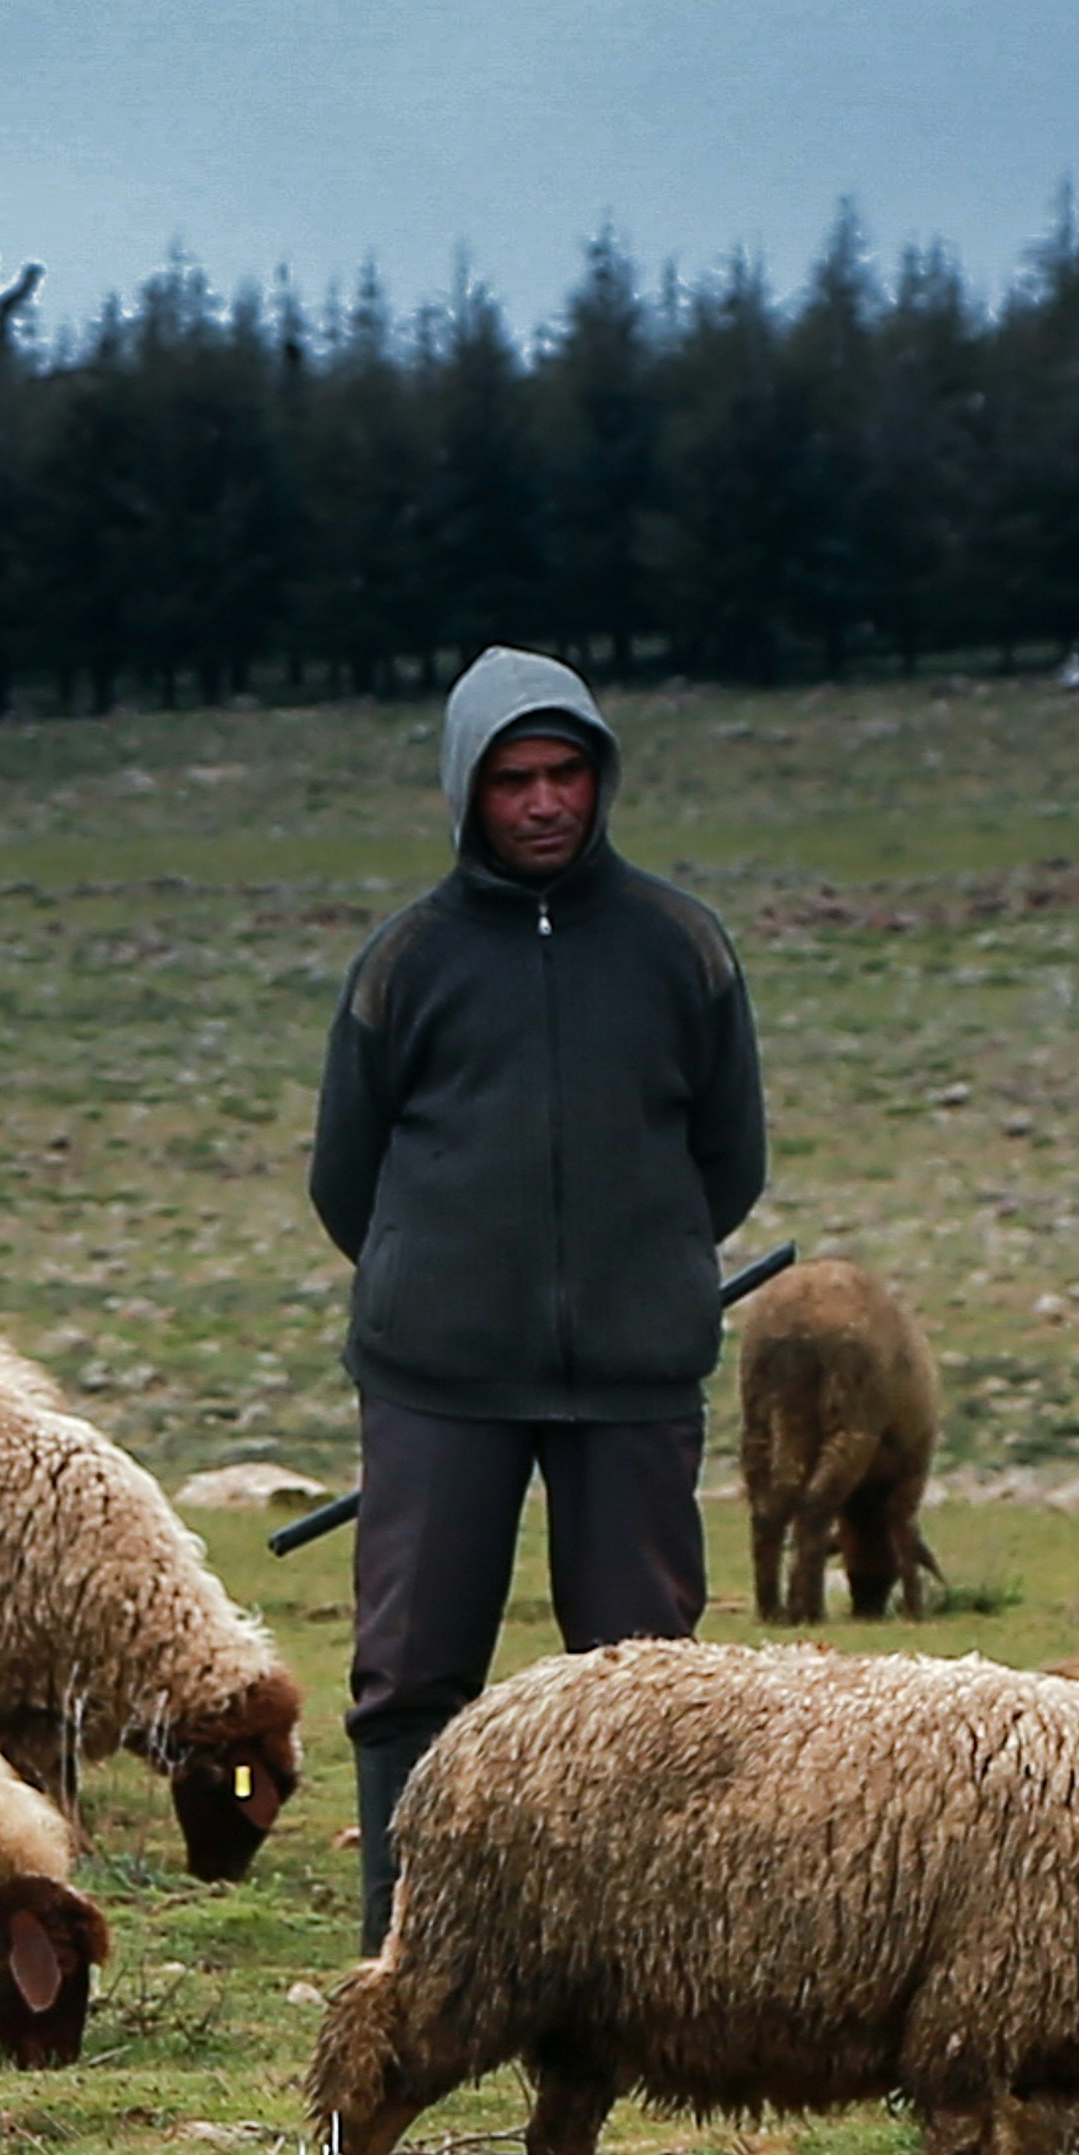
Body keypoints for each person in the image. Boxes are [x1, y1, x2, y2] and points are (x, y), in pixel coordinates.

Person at [308, 646, 763, 1934]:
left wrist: (641, 1276)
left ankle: (646, 1949)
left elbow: (731, 1161)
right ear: (470, 791)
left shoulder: (682, 947)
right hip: (438, 1382)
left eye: (568, 773)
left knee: (648, 1682)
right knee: (410, 1674)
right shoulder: (407, 963)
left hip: (632, 1381)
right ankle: (402, 1946)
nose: (547, 801)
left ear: (601, 780)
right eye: (516, 779)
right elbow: (350, 1177)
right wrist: (445, 1290)